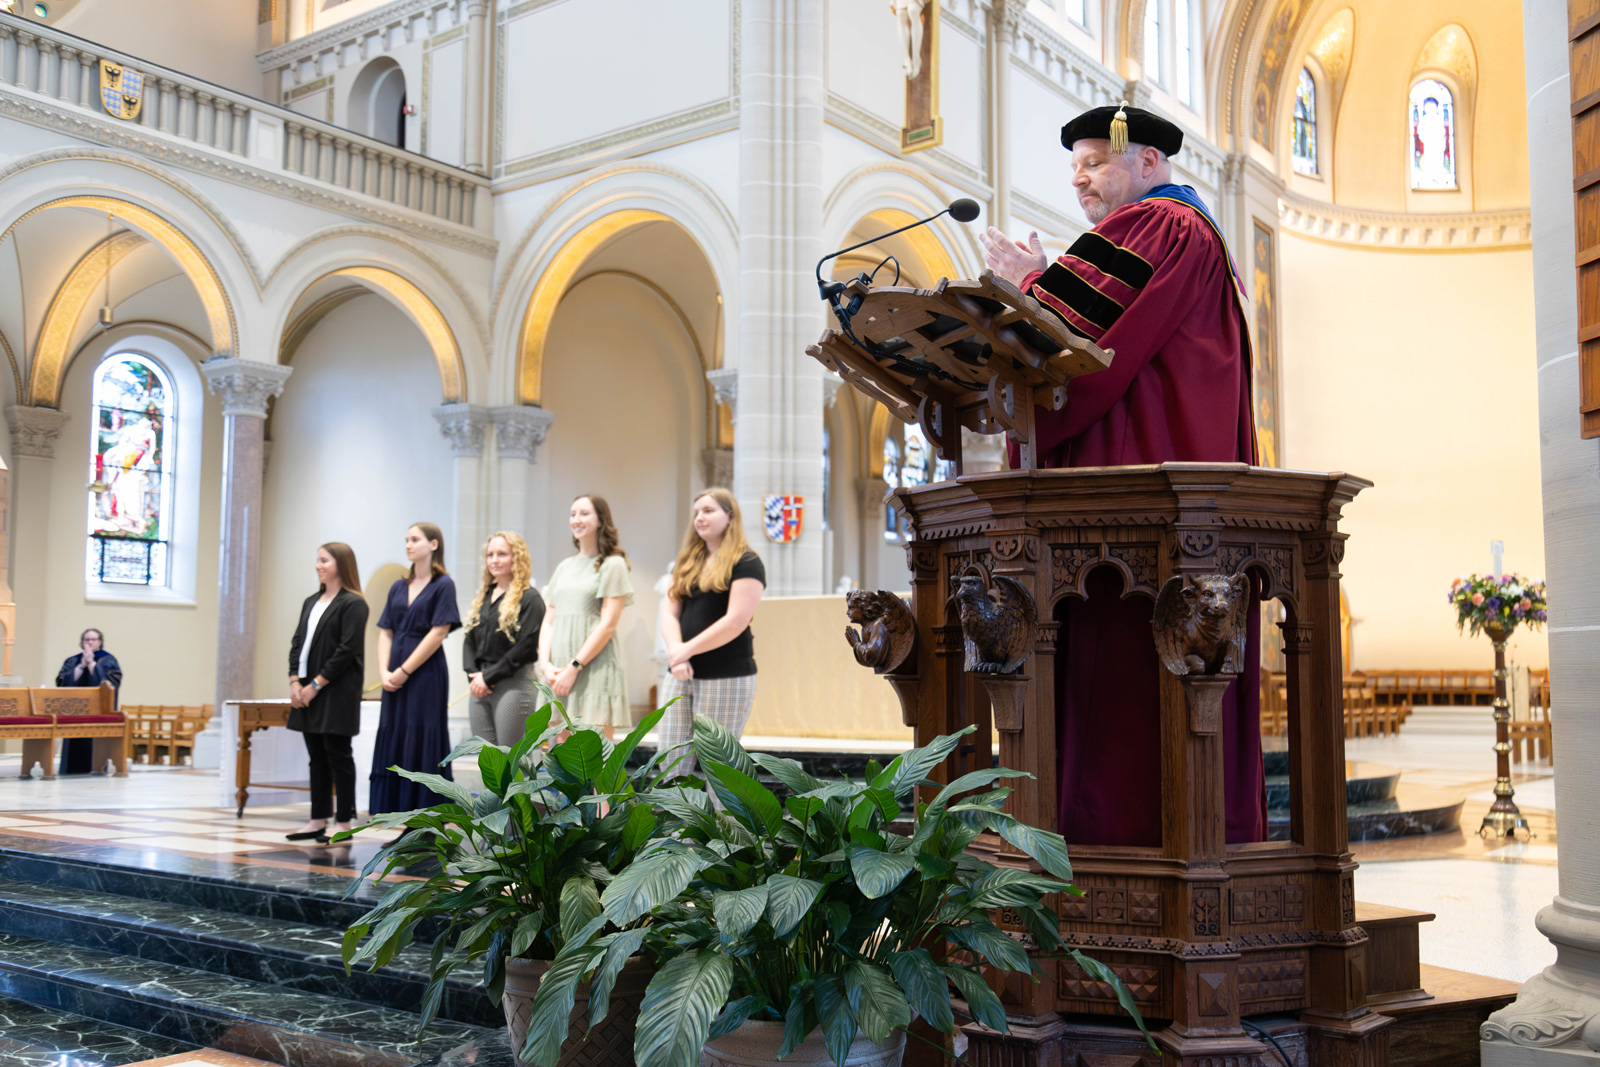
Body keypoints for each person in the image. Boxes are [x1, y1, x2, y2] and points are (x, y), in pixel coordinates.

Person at [978, 102, 1264, 847]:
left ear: (1148, 163)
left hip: (1136, 514)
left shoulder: (1163, 226)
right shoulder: (1184, 235)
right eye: (1074, 168)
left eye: (1094, 163)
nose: (1080, 181)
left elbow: (1091, 343)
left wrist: (1029, 287)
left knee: (1127, 706)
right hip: (1149, 508)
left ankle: (1118, 862)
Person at [658, 488, 765, 776]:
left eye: (708, 511)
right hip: (680, 670)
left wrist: (685, 650)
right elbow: (669, 613)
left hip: (726, 674)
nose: (699, 518)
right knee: (670, 758)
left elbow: (735, 621)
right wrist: (677, 655)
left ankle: (723, 823)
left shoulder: (747, 562)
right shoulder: (687, 561)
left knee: (719, 767)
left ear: (729, 517)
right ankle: (676, 821)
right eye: (696, 513)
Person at [369, 522, 461, 815]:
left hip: (425, 676)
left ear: (433, 544)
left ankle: (426, 821)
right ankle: (399, 815)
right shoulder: (398, 586)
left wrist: (405, 671)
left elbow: (438, 632)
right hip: (394, 676)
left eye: (415, 539)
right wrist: (384, 671)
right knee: (395, 735)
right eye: (406, 540)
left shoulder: (443, 585)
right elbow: (385, 630)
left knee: (422, 738)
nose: (408, 545)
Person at [285, 543, 369, 844]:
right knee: (316, 757)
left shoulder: (354, 603)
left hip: (336, 690)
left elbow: (346, 651)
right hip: (307, 687)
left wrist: (315, 685)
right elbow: (297, 643)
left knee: (338, 756)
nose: (318, 565)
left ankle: (344, 823)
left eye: (324, 560)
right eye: (317, 560)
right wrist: (295, 681)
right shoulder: (311, 601)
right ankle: (317, 819)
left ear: (341, 565)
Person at [539, 495, 633, 740]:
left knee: (594, 757)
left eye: (584, 513)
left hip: (593, 669)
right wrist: (545, 665)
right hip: (557, 669)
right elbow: (549, 620)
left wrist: (574, 667)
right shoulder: (564, 566)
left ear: (601, 520)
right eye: (572, 514)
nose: (576, 519)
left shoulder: (613, 565)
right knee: (561, 757)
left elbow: (608, 625)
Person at [462, 531, 546, 748]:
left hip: (513, 685)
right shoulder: (484, 596)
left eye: (502, 554)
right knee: (488, 762)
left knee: (513, 764)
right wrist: (474, 677)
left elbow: (526, 647)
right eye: (490, 555)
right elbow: (469, 640)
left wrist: (488, 677)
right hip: (481, 686)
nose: (494, 560)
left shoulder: (530, 598)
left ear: (516, 558)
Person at [54, 628, 122, 775]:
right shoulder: (73, 660)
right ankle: (70, 769)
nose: (89, 643)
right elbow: (63, 682)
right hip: (74, 710)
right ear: (81, 642)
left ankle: (97, 767)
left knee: (95, 740)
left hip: (98, 710)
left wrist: (91, 662)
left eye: (93, 639)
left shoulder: (108, 659)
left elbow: (108, 684)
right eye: (86, 639)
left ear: (100, 642)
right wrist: (82, 665)